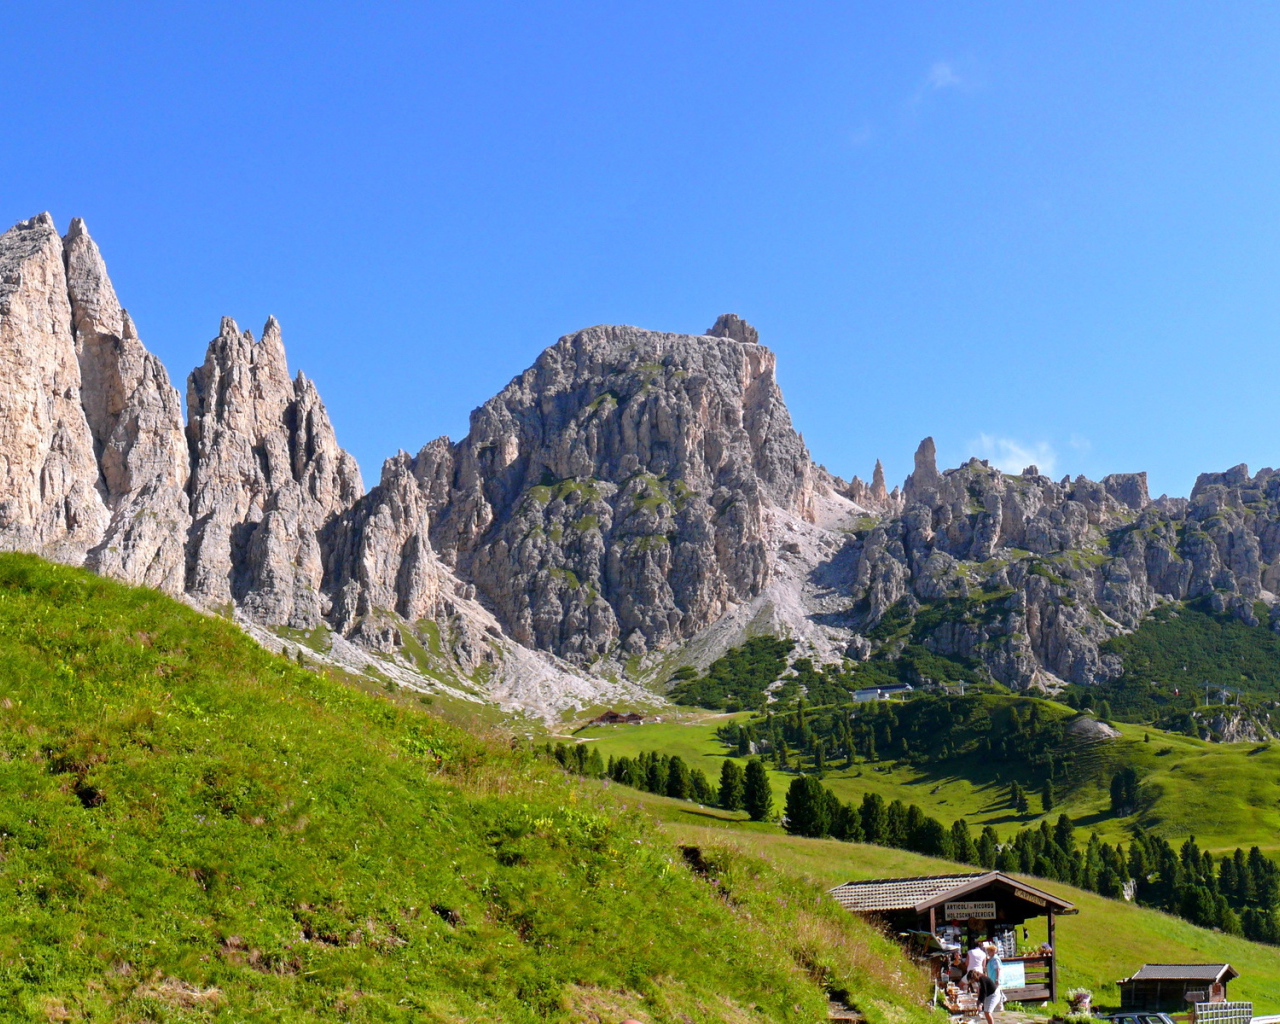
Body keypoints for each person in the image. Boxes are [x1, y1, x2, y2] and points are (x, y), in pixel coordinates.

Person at [983, 941, 1005, 1012]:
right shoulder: (992, 959)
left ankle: (999, 1007)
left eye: (989, 951)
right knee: (996, 992)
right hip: (992, 978)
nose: (988, 953)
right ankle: (999, 1007)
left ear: (993, 951)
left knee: (996, 992)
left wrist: (997, 979)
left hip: (995, 979)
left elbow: (998, 969)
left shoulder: (995, 959)